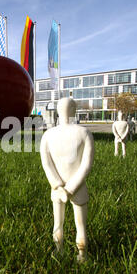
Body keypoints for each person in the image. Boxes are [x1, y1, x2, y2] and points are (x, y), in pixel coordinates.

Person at [40, 98, 95, 262]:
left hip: (57, 190)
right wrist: (70, 188)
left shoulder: (48, 135)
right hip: (78, 188)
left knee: (58, 224)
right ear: (74, 110)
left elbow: (46, 165)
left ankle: (59, 250)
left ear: (57, 110)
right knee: (81, 226)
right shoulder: (84, 133)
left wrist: (58, 186)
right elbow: (86, 165)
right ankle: (82, 255)